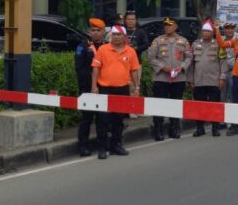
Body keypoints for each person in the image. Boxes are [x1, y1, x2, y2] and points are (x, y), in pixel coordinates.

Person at [90, 24, 141, 159]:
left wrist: (136, 87)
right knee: (103, 119)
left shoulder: (130, 51)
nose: (116, 37)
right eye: (114, 35)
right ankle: (101, 148)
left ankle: (116, 145)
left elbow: (134, 70)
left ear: (124, 37)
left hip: (122, 89)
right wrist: (94, 86)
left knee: (118, 120)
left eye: (119, 35)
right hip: (105, 89)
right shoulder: (103, 49)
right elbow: (96, 69)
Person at [147, 17, 192, 141]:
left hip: (178, 78)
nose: (167, 27)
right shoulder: (157, 41)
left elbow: (189, 57)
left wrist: (182, 67)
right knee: (159, 104)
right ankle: (158, 130)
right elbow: (151, 58)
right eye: (165, 25)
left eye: (170, 25)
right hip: (161, 78)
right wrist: (162, 67)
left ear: (176, 26)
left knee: (175, 104)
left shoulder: (183, 41)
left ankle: (174, 129)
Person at [74, 18, 107, 156]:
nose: (95, 33)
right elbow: (79, 69)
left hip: (105, 87)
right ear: (89, 31)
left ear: (103, 32)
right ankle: (83, 146)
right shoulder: (83, 46)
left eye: (98, 30)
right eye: (93, 30)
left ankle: (101, 146)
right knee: (86, 118)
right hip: (87, 88)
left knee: (103, 119)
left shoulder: (107, 47)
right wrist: (91, 84)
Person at [190, 20, 226, 136]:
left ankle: (215, 128)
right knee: (199, 106)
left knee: (215, 106)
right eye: (204, 31)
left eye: (208, 31)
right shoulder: (195, 44)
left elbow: (223, 62)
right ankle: (200, 128)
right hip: (199, 80)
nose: (205, 33)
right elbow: (191, 64)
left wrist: (222, 77)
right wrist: (191, 79)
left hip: (214, 80)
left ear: (213, 32)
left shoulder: (219, 44)